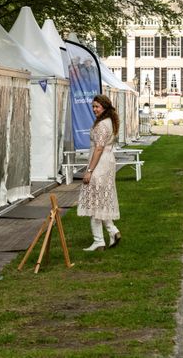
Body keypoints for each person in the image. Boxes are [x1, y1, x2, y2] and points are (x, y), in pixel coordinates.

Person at [77, 94, 121, 251]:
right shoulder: (109, 121)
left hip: (101, 164)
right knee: (101, 200)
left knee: (95, 202)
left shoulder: (103, 124)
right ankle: (112, 231)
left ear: (105, 107)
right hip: (107, 162)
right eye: (93, 106)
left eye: (97, 106)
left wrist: (89, 170)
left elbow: (99, 148)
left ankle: (98, 241)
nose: (95, 109)